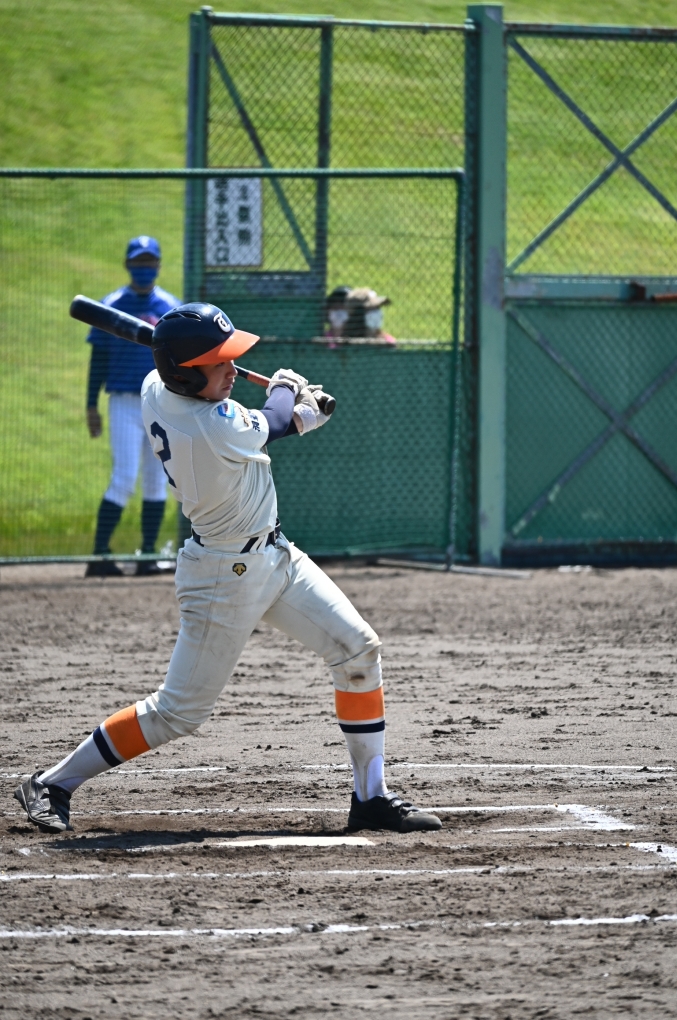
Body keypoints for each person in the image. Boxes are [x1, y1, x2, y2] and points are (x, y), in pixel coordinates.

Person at [14, 302, 442, 837]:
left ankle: (371, 797)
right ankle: (52, 783)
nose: (233, 369)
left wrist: (300, 413)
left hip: (276, 556)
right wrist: (287, 392)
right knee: (177, 712)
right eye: (218, 362)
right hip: (223, 575)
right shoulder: (209, 425)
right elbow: (274, 421)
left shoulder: (158, 388)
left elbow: (277, 425)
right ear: (185, 375)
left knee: (358, 649)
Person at [85, 235, 181, 577]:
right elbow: (98, 359)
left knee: (157, 480)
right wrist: (90, 405)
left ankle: (147, 556)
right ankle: (99, 556)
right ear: (128, 265)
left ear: (158, 265)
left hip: (161, 402)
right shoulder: (111, 306)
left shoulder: (170, 307)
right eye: (138, 262)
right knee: (124, 477)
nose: (144, 268)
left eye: (149, 262)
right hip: (124, 401)